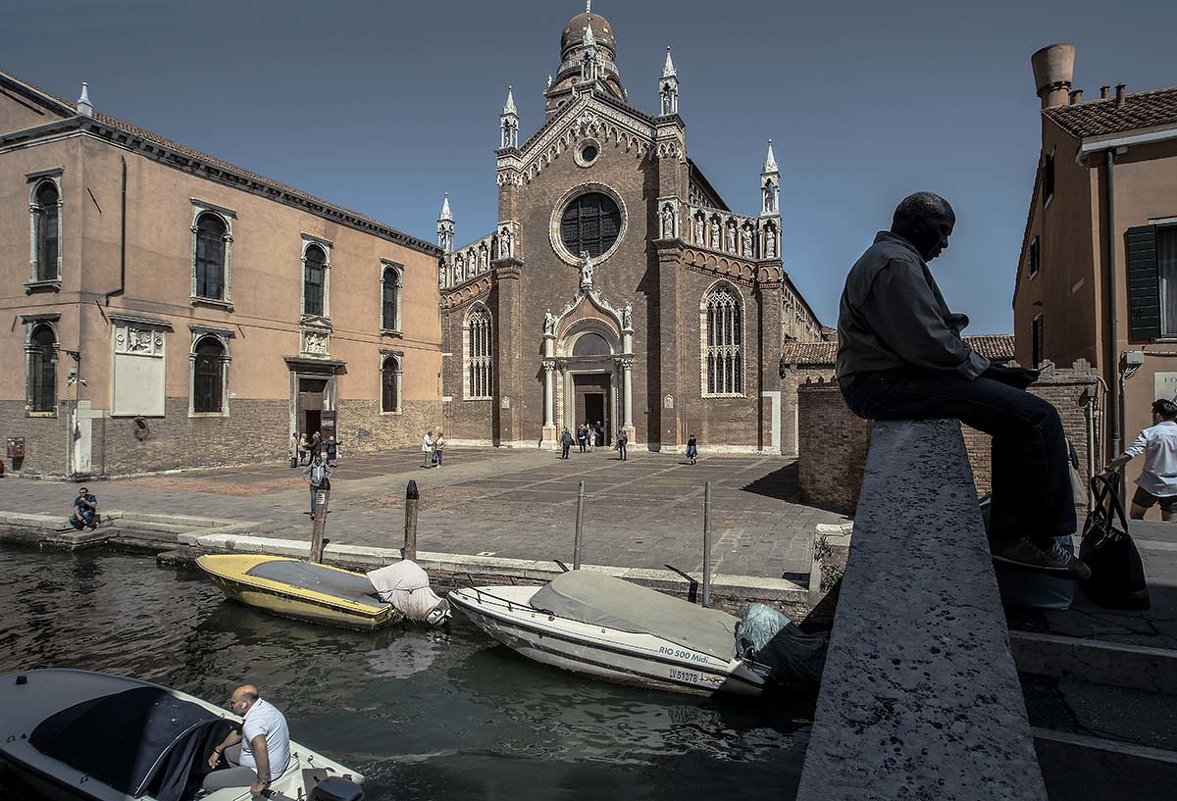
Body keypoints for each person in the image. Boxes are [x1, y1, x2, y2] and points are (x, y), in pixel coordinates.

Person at [836, 191, 1089, 580]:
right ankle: (1037, 540)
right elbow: (927, 341)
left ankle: (1011, 533)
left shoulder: (893, 260)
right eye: (941, 231)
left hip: (886, 378)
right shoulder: (895, 263)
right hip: (883, 383)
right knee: (1038, 417)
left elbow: (928, 336)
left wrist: (988, 371)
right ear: (915, 224)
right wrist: (988, 370)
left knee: (1013, 414)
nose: (945, 243)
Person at [203, 684, 291, 795]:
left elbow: (261, 747)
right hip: (277, 759)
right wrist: (218, 750)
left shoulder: (252, 723)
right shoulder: (264, 707)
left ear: (244, 704)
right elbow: (239, 732)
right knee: (229, 752)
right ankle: (239, 781)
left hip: (268, 771)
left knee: (209, 781)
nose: (230, 706)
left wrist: (261, 781)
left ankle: (241, 786)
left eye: (233, 703)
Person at [1102, 398, 1177, 521]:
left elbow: (1130, 454)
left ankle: (1143, 537)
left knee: (1136, 515)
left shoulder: (1149, 433)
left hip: (1150, 483)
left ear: (1157, 415)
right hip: (1175, 485)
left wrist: (1109, 468)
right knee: (1170, 523)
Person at [301, 454, 334, 520]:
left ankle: (321, 511)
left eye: (319, 460)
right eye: (316, 460)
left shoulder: (323, 466)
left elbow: (330, 471)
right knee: (314, 499)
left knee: (321, 499)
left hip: (321, 485)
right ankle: (313, 512)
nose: (317, 462)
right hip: (313, 485)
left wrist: (327, 478)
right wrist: (307, 480)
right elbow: (303, 472)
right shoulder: (312, 466)